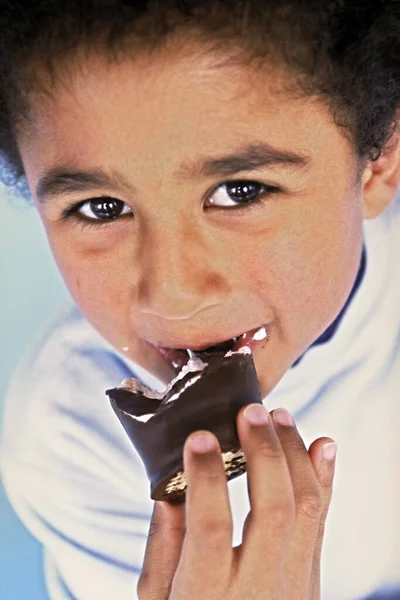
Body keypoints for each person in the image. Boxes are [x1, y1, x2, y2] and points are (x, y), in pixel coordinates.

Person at [0, 0, 399, 598]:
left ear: (377, 167)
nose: (174, 295)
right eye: (101, 208)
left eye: (240, 192)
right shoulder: (68, 442)